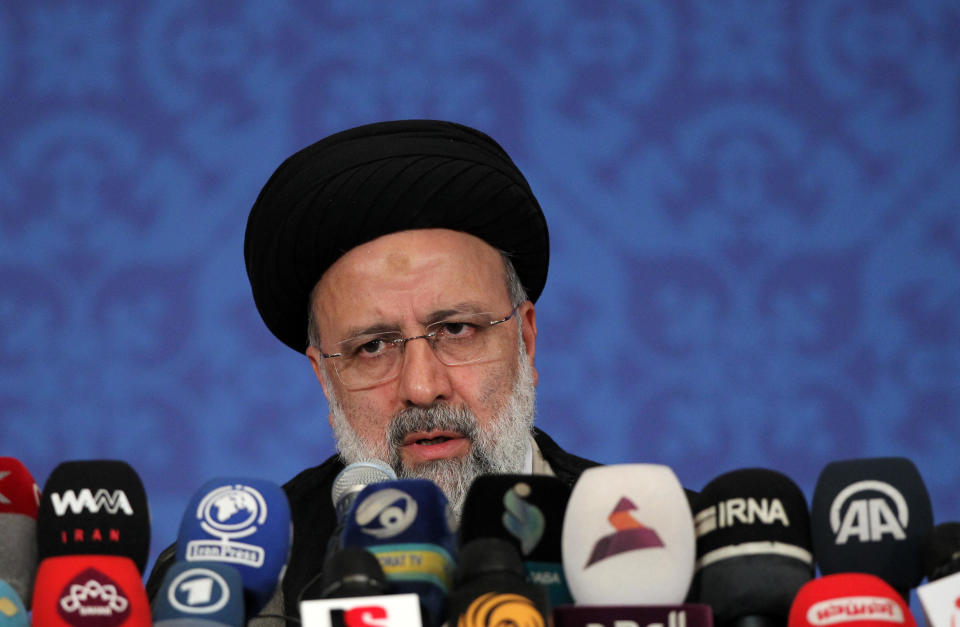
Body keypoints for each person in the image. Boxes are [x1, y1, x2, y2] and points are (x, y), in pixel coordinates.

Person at [146, 120, 600, 623]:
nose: (422, 388)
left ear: (526, 340)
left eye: (456, 330)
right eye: (373, 346)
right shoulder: (229, 589)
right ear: (325, 378)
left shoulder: (670, 549)